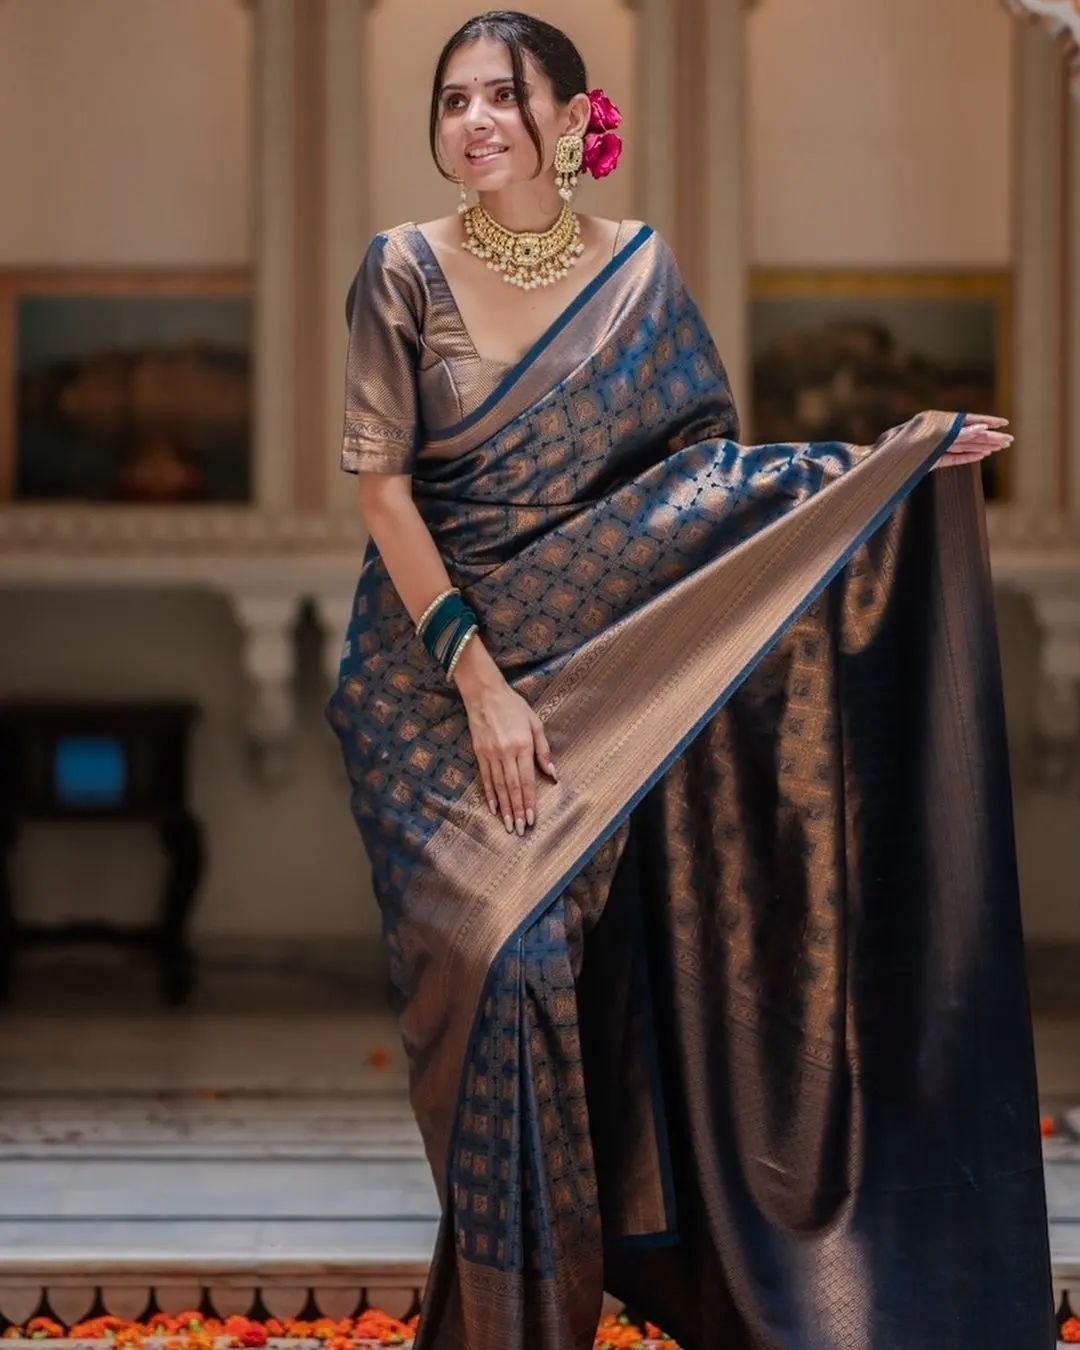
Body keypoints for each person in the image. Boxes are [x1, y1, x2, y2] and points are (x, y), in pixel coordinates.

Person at [325, 11, 1052, 1348]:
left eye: (503, 95)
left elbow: (697, 489)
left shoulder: (637, 274)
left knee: (545, 965)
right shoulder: (402, 270)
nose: (474, 120)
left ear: (569, 118)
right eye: (453, 99)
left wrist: (876, 471)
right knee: (491, 959)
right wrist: (481, 685)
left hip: (607, 677)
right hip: (429, 685)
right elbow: (385, 497)